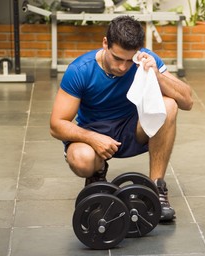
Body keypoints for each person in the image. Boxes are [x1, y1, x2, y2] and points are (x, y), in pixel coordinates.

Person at [49, 15, 193, 222]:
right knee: (81, 161)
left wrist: (156, 74)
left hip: (133, 129)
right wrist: (92, 138)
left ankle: (156, 187)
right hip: (94, 131)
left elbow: (187, 101)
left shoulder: (144, 59)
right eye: (117, 58)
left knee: (169, 105)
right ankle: (97, 172)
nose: (123, 67)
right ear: (105, 43)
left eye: (129, 60)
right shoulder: (80, 70)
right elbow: (56, 125)